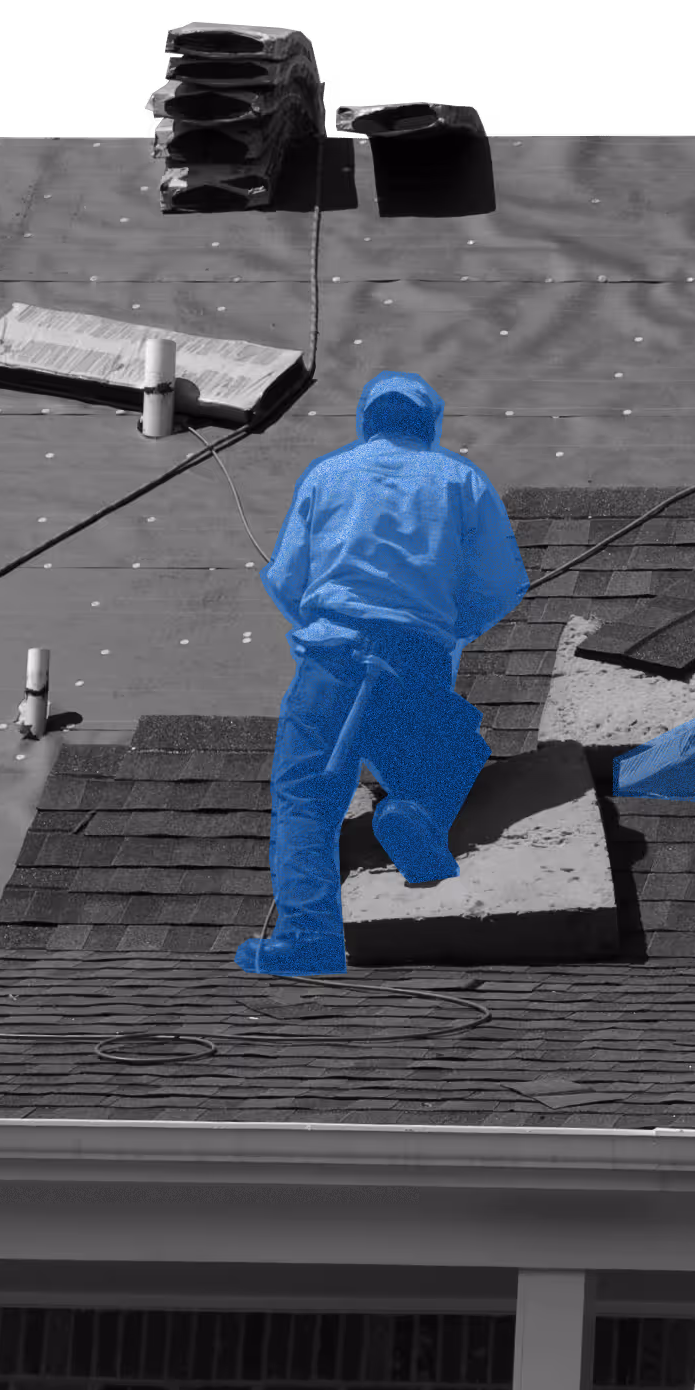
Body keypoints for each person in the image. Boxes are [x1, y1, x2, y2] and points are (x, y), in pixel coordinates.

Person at [243, 371, 530, 975]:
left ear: (368, 422)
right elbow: (503, 584)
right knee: (451, 754)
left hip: (331, 661)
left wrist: (329, 621)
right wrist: (450, 626)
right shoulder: (460, 480)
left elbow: (286, 579)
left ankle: (308, 940)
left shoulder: (327, 475)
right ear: (427, 425)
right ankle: (416, 814)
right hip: (413, 659)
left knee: (306, 796)